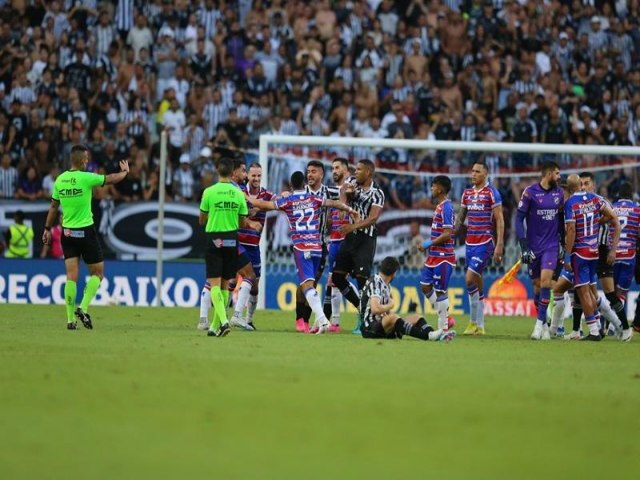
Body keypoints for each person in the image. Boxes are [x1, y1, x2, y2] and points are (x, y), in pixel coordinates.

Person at [249, 171, 358, 334]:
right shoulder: (314, 198)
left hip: (302, 247)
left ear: (292, 186)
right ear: (304, 183)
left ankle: (322, 320)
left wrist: (248, 198)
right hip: (317, 247)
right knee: (310, 284)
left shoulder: (288, 201)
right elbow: (333, 203)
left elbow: (266, 205)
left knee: (307, 285)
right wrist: (350, 209)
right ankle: (321, 320)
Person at [42, 144, 129, 330]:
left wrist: (47, 228)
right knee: (98, 274)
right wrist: (124, 173)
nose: (88, 160)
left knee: (71, 277)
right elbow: (111, 179)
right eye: (87, 158)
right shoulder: (87, 178)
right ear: (82, 160)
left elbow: (53, 207)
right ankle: (82, 307)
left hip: (67, 233)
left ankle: (69, 320)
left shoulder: (60, 180)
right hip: (86, 233)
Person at [198, 158, 259, 331]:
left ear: (218, 171)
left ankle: (222, 321)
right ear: (232, 171)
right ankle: (213, 327)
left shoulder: (209, 192)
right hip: (232, 240)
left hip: (215, 239)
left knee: (214, 283)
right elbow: (241, 222)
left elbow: (202, 220)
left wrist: (216, 215)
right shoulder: (239, 194)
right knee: (226, 284)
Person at [563, 174, 620, 341]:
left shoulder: (570, 203)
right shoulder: (595, 199)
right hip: (594, 251)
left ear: (569, 187)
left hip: (579, 252)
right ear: (580, 184)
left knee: (583, 292)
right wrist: (598, 221)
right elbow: (611, 215)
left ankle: (594, 331)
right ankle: (598, 327)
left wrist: (567, 256)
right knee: (589, 292)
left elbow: (571, 230)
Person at [332, 159, 385, 332]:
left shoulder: (378, 193)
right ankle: (361, 309)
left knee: (363, 280)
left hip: (365, 239)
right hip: (350, 238)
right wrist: (343, 205)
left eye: (359, 169)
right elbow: (343, 191)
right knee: (338, 277)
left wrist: (352, 226)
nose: (355, 172)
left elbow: (373, 219)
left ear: (368, 172)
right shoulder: (353, 183)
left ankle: (366, 318)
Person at [515, 161, 565, 340]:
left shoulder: (560, 193)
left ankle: (537, 326)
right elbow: (518, 220)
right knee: (537, 285)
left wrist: (562, 242)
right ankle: (543, 323)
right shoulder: (530, 192)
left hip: (551, 245)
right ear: (549, 173)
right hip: (533, 247)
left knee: (545, 281)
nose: (559, 177)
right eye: (557, 173)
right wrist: (523, 245)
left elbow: (561, 219)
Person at [456, 162, 504, 336]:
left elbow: (499, 219)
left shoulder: (492, 193)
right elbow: (461, 218)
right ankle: (479, 326)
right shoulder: (467, 193)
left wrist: (499, 244)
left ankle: (473, 321)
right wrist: (451, 232)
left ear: (485, 174)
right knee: (477, 280)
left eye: (477, 171)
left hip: (485, 241)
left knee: (469, 279)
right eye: (472, 171)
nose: (473, 174)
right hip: (470, 243)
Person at [360, 256, 456, 342]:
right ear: (393, 273)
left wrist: (389, 311)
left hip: (382, 326)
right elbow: (375, 309)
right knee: (393, 317)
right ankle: (428, 336)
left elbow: (384, 312)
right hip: (369, 328)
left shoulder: (386, 285)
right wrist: (390, 305)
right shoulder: (375, 282)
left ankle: (435, 335)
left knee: (417, 317)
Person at [294, 160, 340, 333]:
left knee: (311, 283)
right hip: (303, 244)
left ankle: (305, 320)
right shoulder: (301, 192)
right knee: (306, 283)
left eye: (314, 171)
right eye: (308, 172)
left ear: (321, 174)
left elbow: (345, 193)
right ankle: (301, 320)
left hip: (320, 245)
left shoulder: (330, 191)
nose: (310, 175)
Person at [581, 172, 627, 337]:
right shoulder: (579, 203)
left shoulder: (601, 203)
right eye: (581, 184)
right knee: (583, 291)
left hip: (601, 251)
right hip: (584, 251)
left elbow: (616, 224)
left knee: (609, 293)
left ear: (593, 185)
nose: (583, 187)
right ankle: (592, 329)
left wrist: (613, 250)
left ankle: (620, 325)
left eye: (586, 183)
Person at [236, 162, 274, 327]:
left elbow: (279, 202)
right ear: (248, 176)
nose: (256, 179)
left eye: (259, 176)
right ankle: (228, 316)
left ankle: (249, 319)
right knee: (232, 280)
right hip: (238, 242)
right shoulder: (239, 192)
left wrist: (259, 208)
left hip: (253, 245)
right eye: (253, 175)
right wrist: (249, 220)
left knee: (255, 286)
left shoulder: (266, 195)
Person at [419, 175, 457, 333]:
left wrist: (429, 243)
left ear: (440, 188)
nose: (431, 189)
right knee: (425, 286)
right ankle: (446, 317)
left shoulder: (447, 207)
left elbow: (448, 233)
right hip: (434, 255)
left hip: (444, 256)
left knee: (441, 290)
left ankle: (443, 328)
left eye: (433, 186)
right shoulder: (440, 206)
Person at [321, 157, 351, 332]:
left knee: (345, 279)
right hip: (334, 240)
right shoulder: (330, 191)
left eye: (338, 168)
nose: (334, 171)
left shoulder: (353, 189)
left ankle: (365, 314)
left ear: (346, 171)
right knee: (333, 280)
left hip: (349, 241)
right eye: (333, 168)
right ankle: (336, 322)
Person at [611, 182, 639, 340]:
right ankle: (618, 327)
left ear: (619, 194)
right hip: (629, 255)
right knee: (621, 293)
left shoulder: (612, 208)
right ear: (631, 194)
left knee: (611, 293)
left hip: (613, 255)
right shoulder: (637, 210)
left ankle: (611, 325)